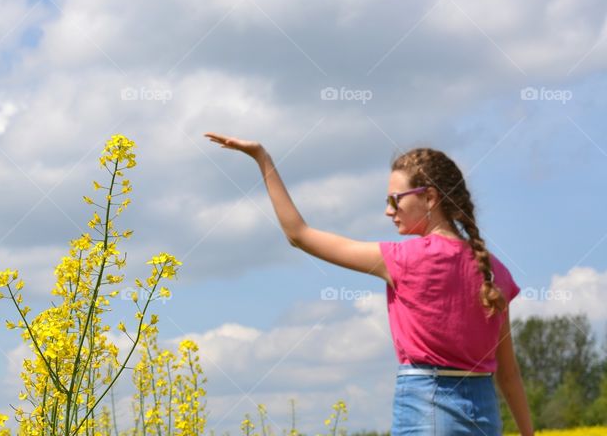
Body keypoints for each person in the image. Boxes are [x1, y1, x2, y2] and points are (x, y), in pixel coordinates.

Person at [204, 132, 535, 436]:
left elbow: (299, 235)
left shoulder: (404, 259)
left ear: (430, 197)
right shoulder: (495, 271)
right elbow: (508, 375)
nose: (388, 211)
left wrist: (262, 159)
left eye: (395, 200)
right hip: (485, 415)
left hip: (425, 407)